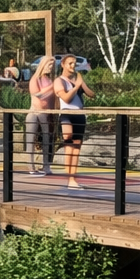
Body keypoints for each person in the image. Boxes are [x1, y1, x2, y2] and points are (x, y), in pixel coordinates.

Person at [54, 55, 94, 190]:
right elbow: (66, 98)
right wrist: (76, 87)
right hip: (66, 114)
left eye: (75, 63)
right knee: (68, 142)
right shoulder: (59, 81)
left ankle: (73, 178)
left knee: (76, 148)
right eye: (70, 63)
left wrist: (82, 83)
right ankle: (69, 178)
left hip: (79, 115)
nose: (73, 66)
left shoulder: (77, 80)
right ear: (63, 65)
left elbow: (91, 94)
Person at [26, 55, 57, 176]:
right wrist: (51, 87)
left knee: (47, 139)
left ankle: (46, 165)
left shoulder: (49, 80)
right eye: (49, 65)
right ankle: (31, 166)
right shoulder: (35, 79)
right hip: (34, 111)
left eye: (52, 66)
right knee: (31, 139)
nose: (51, 68)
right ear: (43, 65)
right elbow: (37, 95)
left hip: (46, 113)